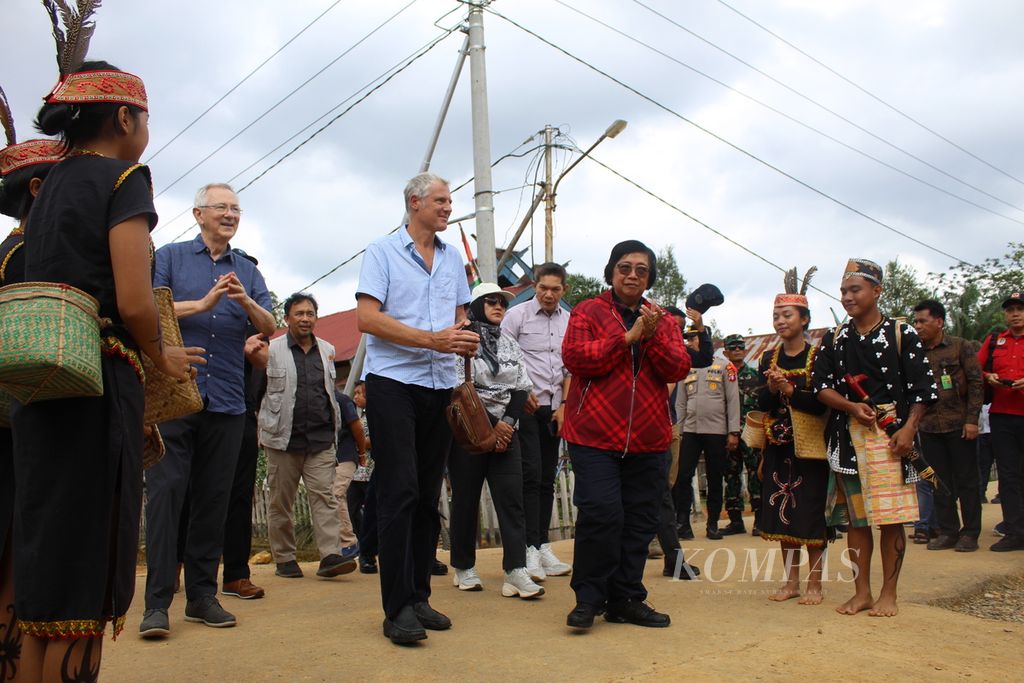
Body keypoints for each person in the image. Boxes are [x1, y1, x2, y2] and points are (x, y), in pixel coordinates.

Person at [16, 50, 203, 677]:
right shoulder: (125, 181)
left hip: (43, 388)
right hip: (97, 386)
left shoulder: (48, 192)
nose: (145, 131)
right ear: (124, 118)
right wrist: (162, 354)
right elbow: (131, 298)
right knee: (90, 565)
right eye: (144, 118)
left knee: (47, 568)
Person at [142, 182, 275, 638]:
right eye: (221, 207)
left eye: (236, 208)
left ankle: (202, 596)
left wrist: (245, 301)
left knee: (213, 501)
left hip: (228, 400)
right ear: (199, 213)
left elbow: (269, 325)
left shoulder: (247, 270)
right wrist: (201, 303)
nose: (230, 214)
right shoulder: (172, 258)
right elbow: (147, 310)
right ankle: (157, 602)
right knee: (167, 495)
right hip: (176, 394)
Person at [356, 172, 479, 644]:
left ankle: (420, 596)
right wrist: (432, 339)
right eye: (442, 200)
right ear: (415, 203)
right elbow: (367, 318)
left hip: (441, 385)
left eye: (451, 201)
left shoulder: (452, 260)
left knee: (429, 495)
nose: (449, 207)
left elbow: (458, 317)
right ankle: (395, 609)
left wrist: (461, 337)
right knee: (400, 491)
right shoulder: (382, 252)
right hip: (393, 385)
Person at [562, 240, 690, 631]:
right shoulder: (588, 311)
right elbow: (576, 357)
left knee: (639, 520)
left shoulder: (662, 320)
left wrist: (649, 336)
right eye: (624, 267)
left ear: (650, 277)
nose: (632, 275)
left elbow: (679, 368)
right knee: (601, 515)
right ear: (611, 271)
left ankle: (626, 599)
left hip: (649, 437)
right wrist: (627, 338)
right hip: (594, 435)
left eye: (641, 269)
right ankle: (588, 598)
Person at [812, 258, 937, 617]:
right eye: (843, 291)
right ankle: (862, 591)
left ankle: (889, 594)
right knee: (857, 520)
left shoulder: (901, 332)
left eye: (855, 290)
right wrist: (851, 407)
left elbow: (923, 389)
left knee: (892, 518)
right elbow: (821, 387)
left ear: (877, 291)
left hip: (892, 438)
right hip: (848, 440)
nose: (847, 297)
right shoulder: (834, 339)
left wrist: (910, 428)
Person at [0, 94, 64, 680]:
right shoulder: (27, 258)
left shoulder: (13, 251)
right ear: (41, 193)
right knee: (22, 554)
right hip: (20, 427)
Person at [449, 283, 543, 599]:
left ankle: (515, 570)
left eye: (502, 302)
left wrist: (507, 424)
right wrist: (488, 428)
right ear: (475, 306)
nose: (499, 306)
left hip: (505, 430)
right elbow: (454, 386)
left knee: (511, 499)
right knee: (465, 498)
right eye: (491, 301)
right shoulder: (460, 339)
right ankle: (463, 566)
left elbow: (521, 386)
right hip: (469, 433)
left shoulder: (509, 344)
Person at [259, 293, 355, 580]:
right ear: (286, 318)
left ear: (316, 317)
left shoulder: (327, 350)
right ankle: (285, 558)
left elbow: (328, 392)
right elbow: (257, 393)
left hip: (320, 439)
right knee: (280, 502)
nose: (305, 318)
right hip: (282, 439)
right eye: (298, 313)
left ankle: (330, 556)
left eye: (310, 313)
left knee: (325, 498)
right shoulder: (271, 350)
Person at [757, 269, 830, 604]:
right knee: (783, 514)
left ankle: (815, 584)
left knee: (810, 512)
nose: (780, 321)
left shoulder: (819, 357)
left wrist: (790, 388)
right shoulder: (766, 358)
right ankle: (791, 583)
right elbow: (761, 404)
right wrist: (772, 390)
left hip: (811, 448)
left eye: (787, 315)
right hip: (778, 445)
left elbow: (821, 404)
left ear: (805, 319)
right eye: (776, 316)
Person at [500, 262, 572, 581]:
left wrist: (566, 405)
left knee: (547, 478)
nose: (548, 294)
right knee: (529, 475)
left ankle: (542, 544)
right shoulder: (516, 316)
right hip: (526, 406)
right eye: (543, 288)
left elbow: (571, 367)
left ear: (563, 291)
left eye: (555, 289)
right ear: (534, 286)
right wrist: (520, 389)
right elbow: (503, 357)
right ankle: (528, 548)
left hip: (556, 409)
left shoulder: (570, 320)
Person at [911, 299, 984, 552]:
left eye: (923, 321)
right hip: (928, 427)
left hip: (959, 425)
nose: (918, 326)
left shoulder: (960, 347)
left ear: (939, 322)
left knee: (967, 481)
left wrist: (972, 420)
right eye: (916, 321)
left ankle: (970, 533)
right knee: (936, 481)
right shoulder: (915, 352)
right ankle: (948, 531)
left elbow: (976, 384)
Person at [675, 353, 742, 540]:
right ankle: (683, 523)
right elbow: (681, 402)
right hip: (690, 429)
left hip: (716, 430)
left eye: (695, 337)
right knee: (683, 476)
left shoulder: (724, 366)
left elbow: (733, 400)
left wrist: (733, 431)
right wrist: (678, 431)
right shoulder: (686, 365)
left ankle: (712, 523)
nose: (691, 342)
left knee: (714, 477)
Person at [978, 291, 1024, 551]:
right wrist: (989, 376)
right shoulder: (995, 341)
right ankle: (1015, 531)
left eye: (1019, 308)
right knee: (1008, 475)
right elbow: (976, 368)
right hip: (1002, 414)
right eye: (1010, 310)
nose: (1015, 314)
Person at [722, 333, 763, 536]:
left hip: (750, 433)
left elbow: (762, 406)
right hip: (728, 433)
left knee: (756, 473)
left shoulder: (756, 376)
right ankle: (735, 520)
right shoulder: (722, 375)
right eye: (733, 347)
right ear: (725, 352)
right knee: (730, 474)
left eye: (740, 347)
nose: (737, 350)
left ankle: (760, 520)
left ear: (745, 350)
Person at [333, 386, 368, 559]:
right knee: (352, 508)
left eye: (360, 393)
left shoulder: (342, 401)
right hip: (349, 470)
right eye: (355, 393)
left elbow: (359, 431)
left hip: (356, 463)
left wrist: (361, 452)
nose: (356, 397)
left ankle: (350, 543)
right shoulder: (317, 402)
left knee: (336, 494)